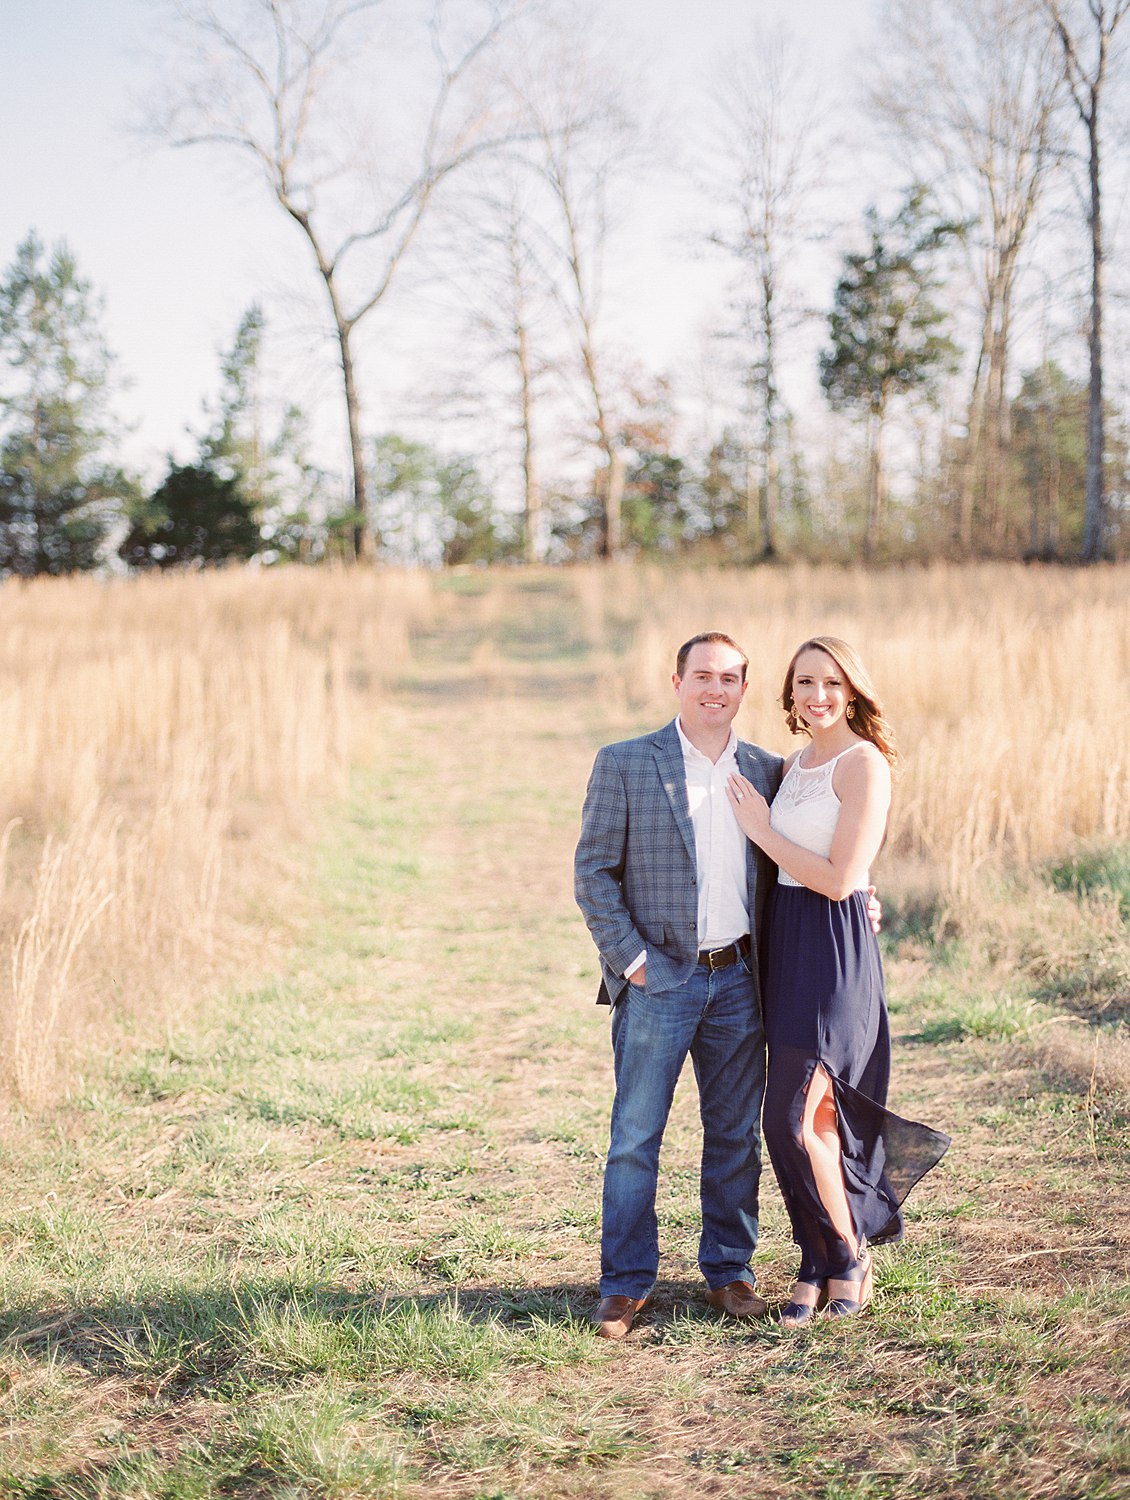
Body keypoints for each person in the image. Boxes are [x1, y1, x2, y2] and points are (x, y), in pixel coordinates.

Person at [725, 636, 950, 1327]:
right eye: (804, 683)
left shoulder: (864, 765)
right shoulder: (792, 766)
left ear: (852, 691)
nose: (817, 695)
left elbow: (840, 878)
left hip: (833, 947)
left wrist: (761, 829)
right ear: (789, 695)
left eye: (830, 683)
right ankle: (816, 1259)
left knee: (792, 1115)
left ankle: (849, 1255)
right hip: (787, 943)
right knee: (809, 1119)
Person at [574, 632, 780, 1338]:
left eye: (729, 677)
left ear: (744, 689)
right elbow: (594, 873)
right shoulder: (627, 763)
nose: (714, 689)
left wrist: (861, 893)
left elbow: (802, 859)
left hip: (740, 983)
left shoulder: (768, 770)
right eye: (702, 675)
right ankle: (625, 1284)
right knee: (636, 1135)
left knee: (734, 1135)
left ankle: (730, 1272)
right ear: (677, 681)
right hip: (659, 980)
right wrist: (630, 962)